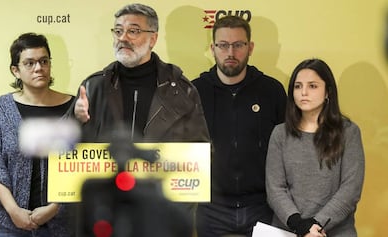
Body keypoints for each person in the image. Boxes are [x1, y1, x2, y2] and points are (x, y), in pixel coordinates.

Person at [192, 15, 287, 236]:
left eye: (238, 45)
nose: (231, 53)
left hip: (263, 207)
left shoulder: (272, 91)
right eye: (223, 45)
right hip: (211, 208)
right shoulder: (194, 92)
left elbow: (288, 150)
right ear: (212, 48)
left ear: (250, 47)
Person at [70, 3, 209, 143]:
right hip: (109, 166)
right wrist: (76, 118)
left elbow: (200, 152)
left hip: (159, 165)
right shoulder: (93, 86)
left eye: (133, 31)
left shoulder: (181, 90)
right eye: (118, 31)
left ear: (153, 39)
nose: (123, 38)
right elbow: (61, 146)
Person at [0, 33, 75, 237]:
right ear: (16, 70)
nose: (39, 68)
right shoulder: (2, 108)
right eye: (29, 63)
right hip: (8, 224)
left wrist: (54, 208)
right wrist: (14, 212)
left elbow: (82, 165)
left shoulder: (74, 108)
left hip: (63, 226)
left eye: (43, 61)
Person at [265, 58, 365, 237]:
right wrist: (300, 226)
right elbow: (275, 188)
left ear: (328, 92)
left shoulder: (349, 132)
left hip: (336, 231)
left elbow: (350, 190)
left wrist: (317, 225)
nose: (303, 92)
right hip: (288, 230)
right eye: (297, 86)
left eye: (312, 86)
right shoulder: (280, 134)